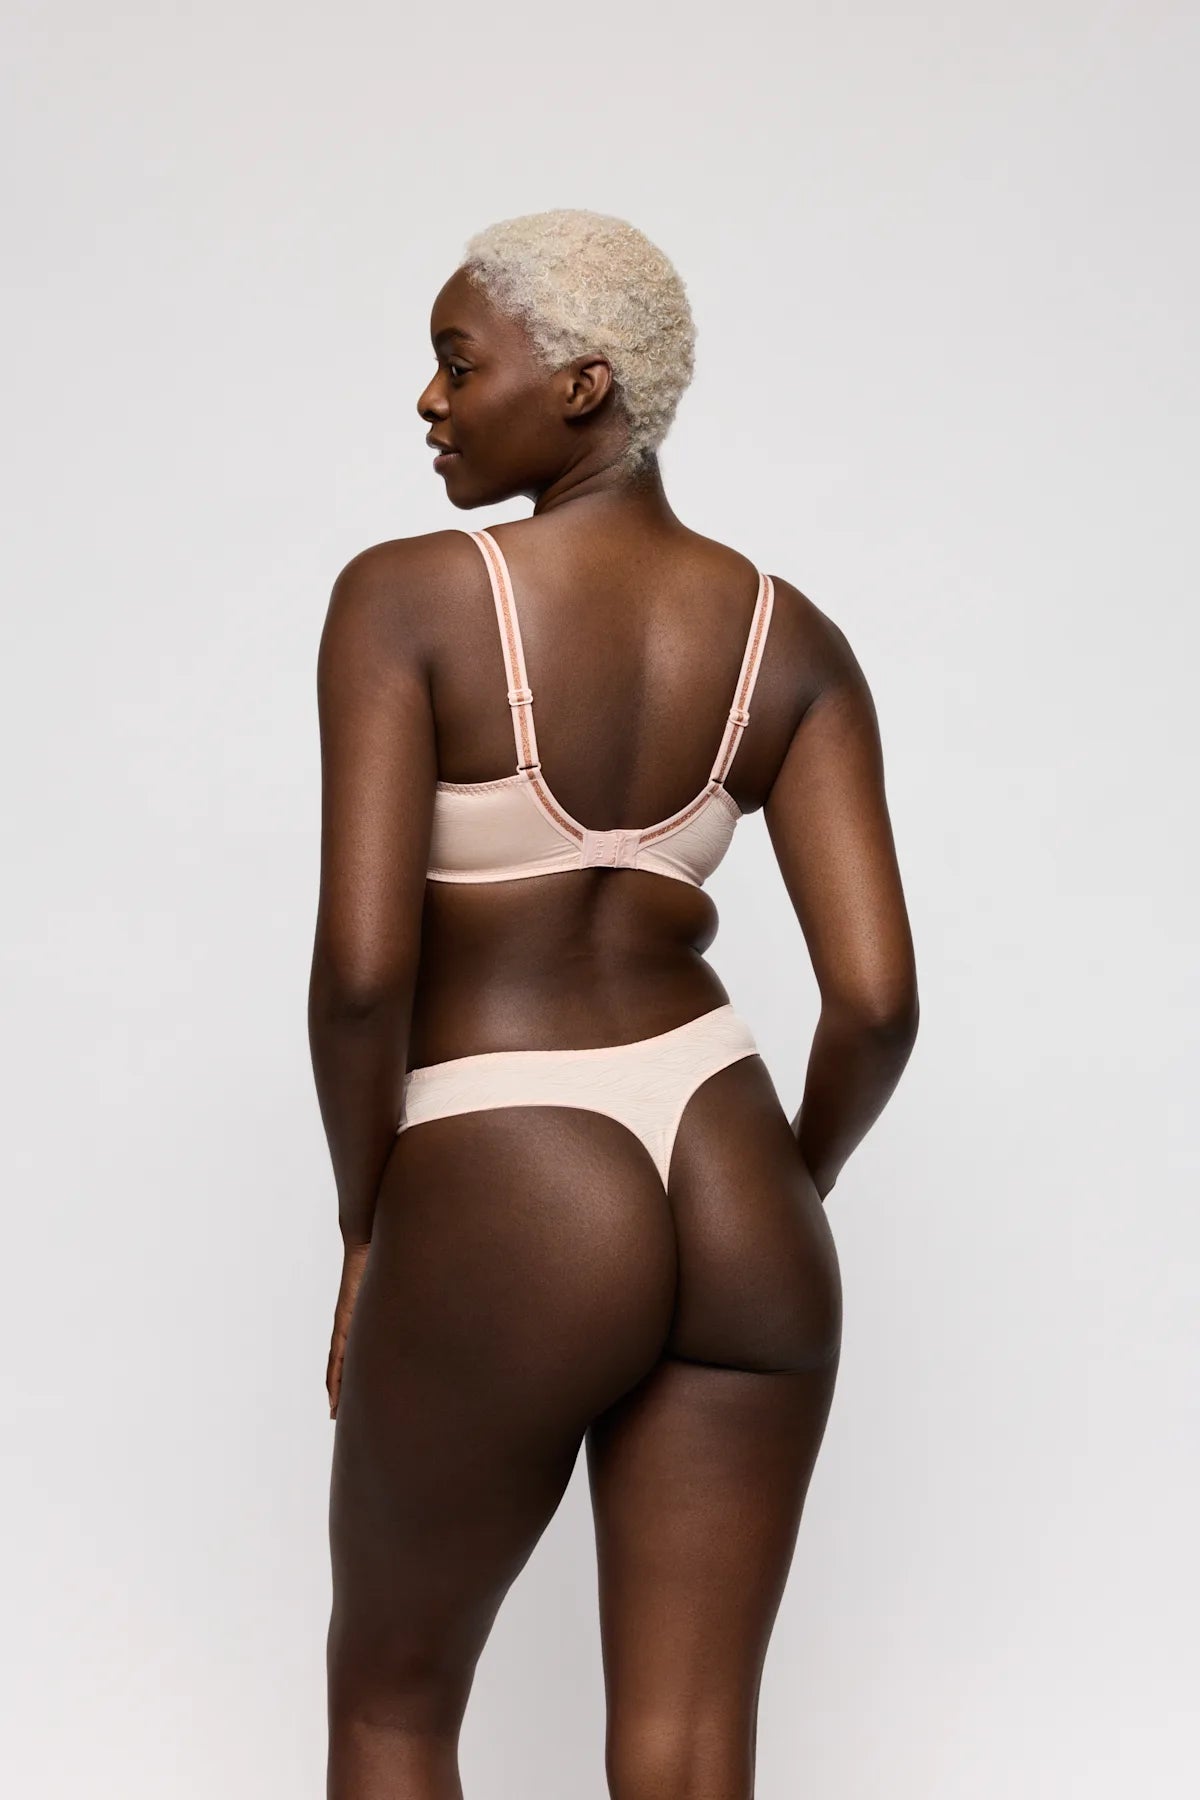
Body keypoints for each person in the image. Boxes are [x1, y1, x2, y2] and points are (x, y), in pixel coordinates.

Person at [308, 207, 919, 1800]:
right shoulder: (792, 641)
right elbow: (876, 1003)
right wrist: (789, 1186)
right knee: (690, 1747)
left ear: (581, 384)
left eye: (458, 363)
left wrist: (368, 1226)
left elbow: (364, 974)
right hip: (734, 1165)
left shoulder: (406, 600)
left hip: (509, 1160)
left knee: (392, 1702)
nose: (430, 400)